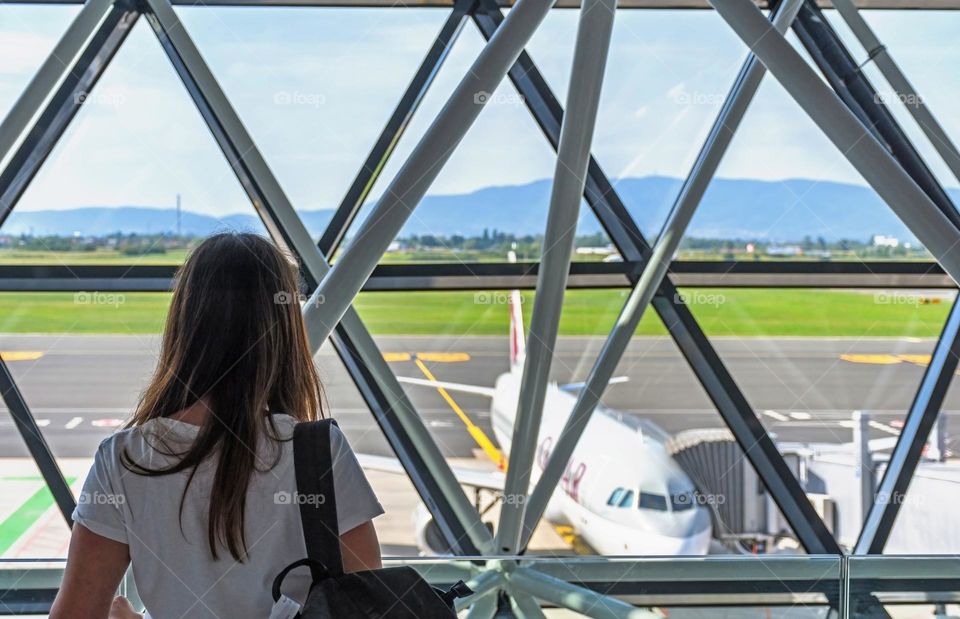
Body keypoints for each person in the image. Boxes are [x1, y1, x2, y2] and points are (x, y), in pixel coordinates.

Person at [50, 232, 383, 619]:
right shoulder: (320, 451)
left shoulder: (123, 459)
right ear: (284, 330)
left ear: (184, 321)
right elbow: (370, 605)